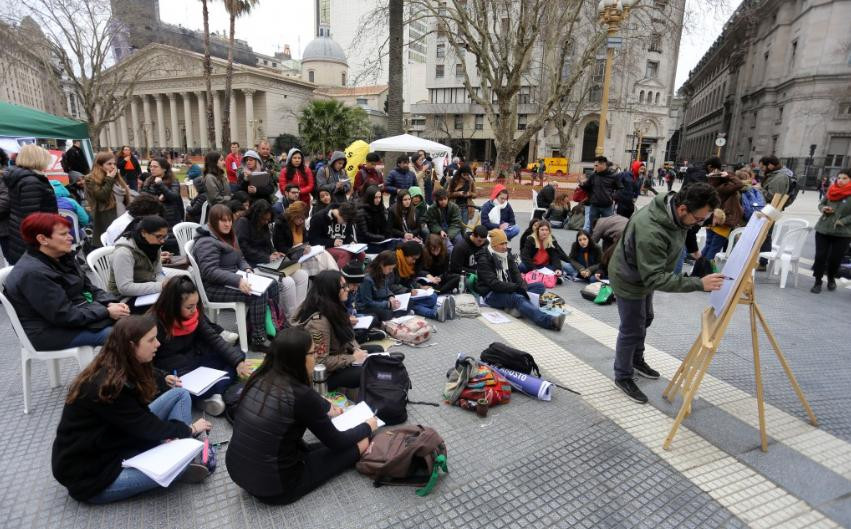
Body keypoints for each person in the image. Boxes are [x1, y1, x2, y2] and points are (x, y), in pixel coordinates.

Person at [51, 315, 212, 504]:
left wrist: (163, 378)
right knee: (171, 468)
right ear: (131, 345)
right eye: (151, 340)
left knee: (180, 395)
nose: (158, 344)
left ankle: (175, 453)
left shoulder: (117, 363)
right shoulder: (110, 387)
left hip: (114, 439)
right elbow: (148, 427)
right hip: (91, 477)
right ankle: (178, 464)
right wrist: (189, 430)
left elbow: (141, 415)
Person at [226, 327, 375, 504]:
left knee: (315, 448)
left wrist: (324, 405)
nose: (316, 357)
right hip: (277, 487)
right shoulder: (300, 394)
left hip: (238, 472)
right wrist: (368, 425)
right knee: (362, 442)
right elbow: (337, 442)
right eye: (312, 353)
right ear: (298, 359)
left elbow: (307, 402)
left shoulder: (259, 377)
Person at [608, 183, 724, 404]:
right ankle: (622, 375)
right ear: (682, 210)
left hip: (644, 273)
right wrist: (698, 283)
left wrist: (698, 255)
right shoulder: (652, 230)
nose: (699, 224)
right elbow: (655, 278)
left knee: (646, 318)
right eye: (699, 219)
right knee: (632, 328)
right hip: (629, 278)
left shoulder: (674, 208)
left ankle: (636, 359)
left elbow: (684, 233)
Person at [5, 213, 128, 349]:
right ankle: (120, 369)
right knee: (125, 335)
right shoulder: (33, 273)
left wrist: (110, 302)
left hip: (73, 316)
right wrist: (106, 311)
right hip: (47, 332)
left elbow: (89, 288)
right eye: (64, 234)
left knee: (138, 323)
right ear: (42, 239)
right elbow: (63, 315)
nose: (71, 237)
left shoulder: (62, 256)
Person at [152, 276, 250, 414]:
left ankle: (211, 395)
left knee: (238, 355)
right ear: (173, 305)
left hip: (196, 361)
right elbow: (144, 362)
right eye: (189, 307)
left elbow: (213, 338)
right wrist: (163, 377)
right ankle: (214, 393)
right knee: (178, 391)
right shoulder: (155, 323)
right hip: (174, 373)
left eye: (196, 305)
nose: (194, 310)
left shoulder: (194, 315)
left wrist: (237, 362)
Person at [192, 204, 275, 350]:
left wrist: (247, 269)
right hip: (213, 287)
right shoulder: (206, 241)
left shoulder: (227, 236)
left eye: (229, 220)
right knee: (258, 294)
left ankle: (271, 326)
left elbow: (240, 258)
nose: (227, 224)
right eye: (223, 221)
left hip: (231, 279)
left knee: (272, 285)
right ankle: (258, 338)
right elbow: (210, 271)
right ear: (212, 221)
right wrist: (237, 280)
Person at [294, 270, 385, 391]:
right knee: (366, 372)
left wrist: (356, 349)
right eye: (343, 287)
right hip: (322, 377)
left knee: (377, 351)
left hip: (337, 355)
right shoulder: (319, 322)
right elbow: (320, 362)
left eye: (346, 285)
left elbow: (347, 336)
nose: (348, 289)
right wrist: (353, 358)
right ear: (331, 290)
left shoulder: (332, 306)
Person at [474, 229, 566, 331]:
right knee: (517, 297)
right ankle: (549, 321)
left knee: (539, 286)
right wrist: (516, 288)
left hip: (509, 287)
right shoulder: (484, 259)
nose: (505, 246)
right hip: (491, 294)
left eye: (506, 243)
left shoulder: (506, 254)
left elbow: (516, 273)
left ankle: (515, 307)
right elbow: (494, 284)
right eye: (502, 244)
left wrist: (522, 286)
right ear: (494, 245)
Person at [235, 199, 309, 315]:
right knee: (287, 282)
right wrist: (267, 257)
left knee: (302, 275)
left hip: (267, 263)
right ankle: (289, 316)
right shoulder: (243, 223)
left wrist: (275, 252)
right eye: (264, 219)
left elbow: (269, 244)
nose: (266, 222)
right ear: (256, 215)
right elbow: (243, 248)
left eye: (268, 220)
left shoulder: (263, 224)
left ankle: (299, 312)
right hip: (252, 265)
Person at [107, 215, 185, 311]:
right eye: (158, 236)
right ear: (143, 233)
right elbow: (125, 288)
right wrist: (161, 286)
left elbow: (158, 272)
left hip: (146, 292)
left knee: (181, 295)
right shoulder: (124, 252)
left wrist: (165, 286)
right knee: (169, 307)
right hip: (123, 301)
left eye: (165, 236)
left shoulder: (152, 245)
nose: (162, 241)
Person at [4, 144, 59, 263]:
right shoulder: (31, 181)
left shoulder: (22, 177)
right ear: (37, 159)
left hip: (21, 236)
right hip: (32, 239)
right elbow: (32, 217)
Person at [811, 169, 851, 293]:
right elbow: (821, 204)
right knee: (820, 256)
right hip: (823, 229)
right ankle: (818, 281)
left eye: (845, 178)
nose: (841, 180)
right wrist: (824, 208)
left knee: (835, 259)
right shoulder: (831, 190)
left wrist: (843, 221)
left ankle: (831, 278)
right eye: (839, 178)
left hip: (842, 233)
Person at [272, 201, 339, 276]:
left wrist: (306, 246)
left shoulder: (301, 224)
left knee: (324, 254)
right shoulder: (281, 224)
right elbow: (280, 247)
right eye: (300, 218)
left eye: (303, 219)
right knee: (320, 261)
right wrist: (294, 250)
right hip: (290, 257)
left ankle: (336, 278)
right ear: (294, 214)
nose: (301, 221)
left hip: (302, 254)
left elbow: (306, 240)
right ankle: (329, 279)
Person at [756, 155, 794, 270]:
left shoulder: (780, 177)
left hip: (770, 210)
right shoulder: (775, 174)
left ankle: (763, 263)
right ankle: (761, 261)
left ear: (771, 165)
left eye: (763, 167)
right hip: (766, 209)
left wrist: (759, 189)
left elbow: (774, 197)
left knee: (766, 235)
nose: (762, 170)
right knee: (763, 235)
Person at [702, 161, 745, 261]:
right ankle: (705, 273)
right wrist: (729, 176)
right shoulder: (724, 188)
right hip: (723, 222)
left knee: (708, 247)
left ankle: (698, 270)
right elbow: (739, 184)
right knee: (713, 251)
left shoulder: (710, 186)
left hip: (712, 221)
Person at [308, 201, 363, 269]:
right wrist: (332, 242)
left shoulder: (347, 216)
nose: (345, 224)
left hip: (342, 246)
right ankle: (340, 278)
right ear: (340, 215)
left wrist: (351, 241)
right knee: (344, 254)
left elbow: (347, 235)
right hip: (325, 248)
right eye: (345, 221)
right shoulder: (319, 217)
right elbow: (313, 240)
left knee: (361, 253)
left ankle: (357, 277)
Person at [580, 156, 621, 232]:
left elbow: (620, 188)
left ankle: (607, 243)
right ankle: (592, 243)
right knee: (592, 227)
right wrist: (582, 184)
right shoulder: (593, 175)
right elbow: (587, 187)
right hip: (594, 206)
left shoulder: (614, 176)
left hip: (607, 206)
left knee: (608, 228)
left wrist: (613, 197)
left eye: (596, 165)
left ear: (603, 164)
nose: (594, 167)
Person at [141, 157, 184, 229]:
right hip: (153, 215)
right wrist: (158, 199)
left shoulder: (173, 180)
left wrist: (160, 184)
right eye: (151, 166)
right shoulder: (149, 180)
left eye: (155, 167)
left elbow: (174, 197)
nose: (152, 169)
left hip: (170, 217)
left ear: (164, 169)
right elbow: (143, 196)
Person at [356, 185, 394, 253]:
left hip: (378, 241)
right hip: (366, 243)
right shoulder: (361, 211)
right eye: (376, 197)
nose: (378, 200)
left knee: (395, 244)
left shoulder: (380, 208)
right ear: (370, 197)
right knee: (388, 250)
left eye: (379, 197)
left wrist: (387, 236)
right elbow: (365, 234)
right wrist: (381, 237)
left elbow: (384, 227)